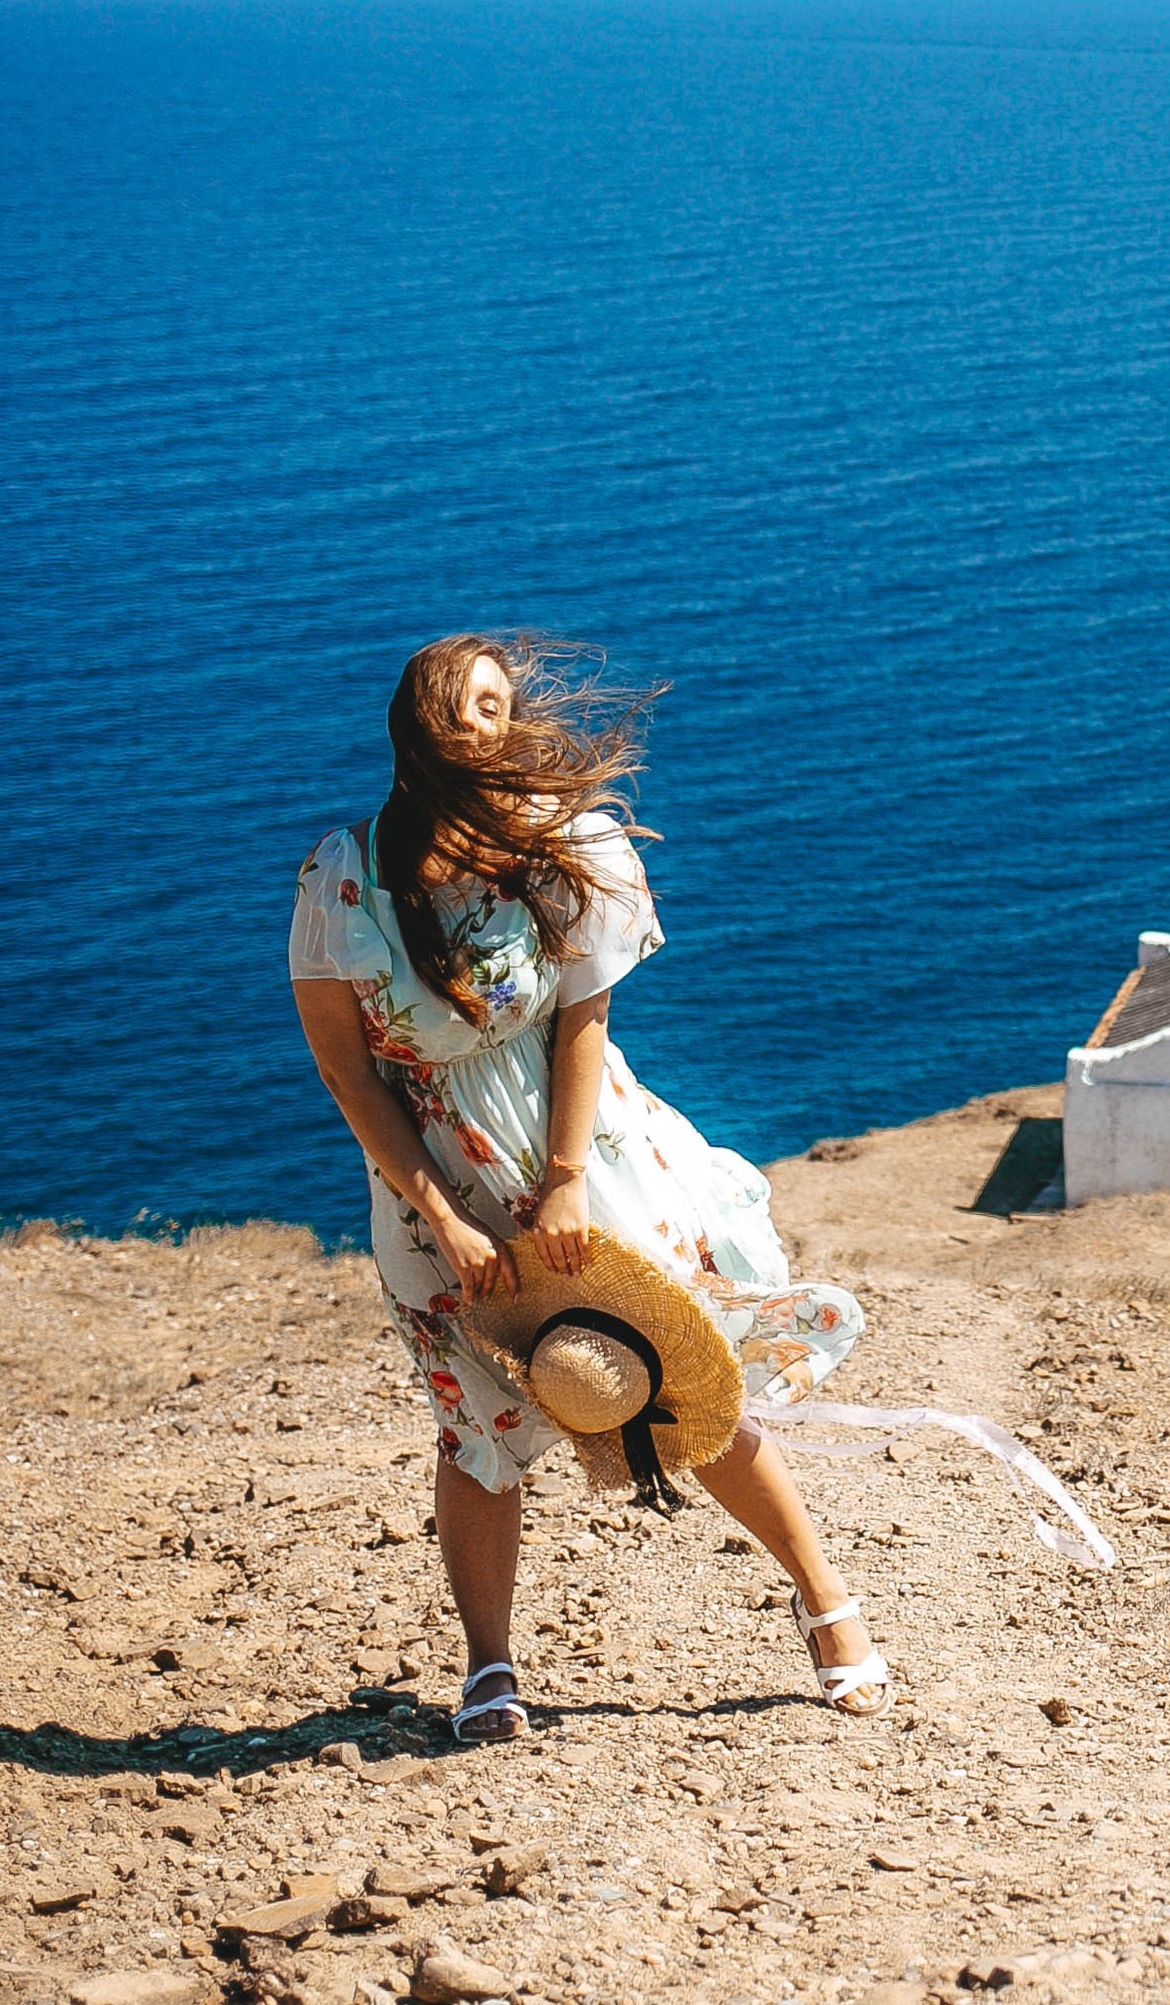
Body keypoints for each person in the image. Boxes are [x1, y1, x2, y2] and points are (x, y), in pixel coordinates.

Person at [289, 633, 888, 1743]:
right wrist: (442, 1215)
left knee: (684, 1373)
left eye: (498, 702)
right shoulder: (342, 876)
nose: (486, 719)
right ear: (417, 723)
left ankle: (824, 1601)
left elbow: (582, 1020)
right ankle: (489, 1665)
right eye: (465, 702)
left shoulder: (566, 842)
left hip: (588, 1150)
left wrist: (562, 1187)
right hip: (431, 1182)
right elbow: (346, 1071)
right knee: (473, 1423)